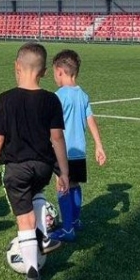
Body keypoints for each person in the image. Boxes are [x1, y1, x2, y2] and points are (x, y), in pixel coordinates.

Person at [0, 42, 69, 280]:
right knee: (37, 195)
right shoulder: (51, 99)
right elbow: (57, 138)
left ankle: (33, 274)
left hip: (16, 167)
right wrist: (63, 171)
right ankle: (42, 236)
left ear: (16, 67)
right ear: (43, 72)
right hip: (43, 166)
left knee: (24, 219)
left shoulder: (5, 99)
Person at [47, 49, 106, 243]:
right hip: (80, 151)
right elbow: (90, 120)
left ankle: (67, 228)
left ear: (60, 71)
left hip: (63, 152)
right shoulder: (83, 95)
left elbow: (52, 126)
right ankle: (76, 220)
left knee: (63, 185)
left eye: (55, 73)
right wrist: (98, 145)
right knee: (74, 185)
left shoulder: (58, 96)